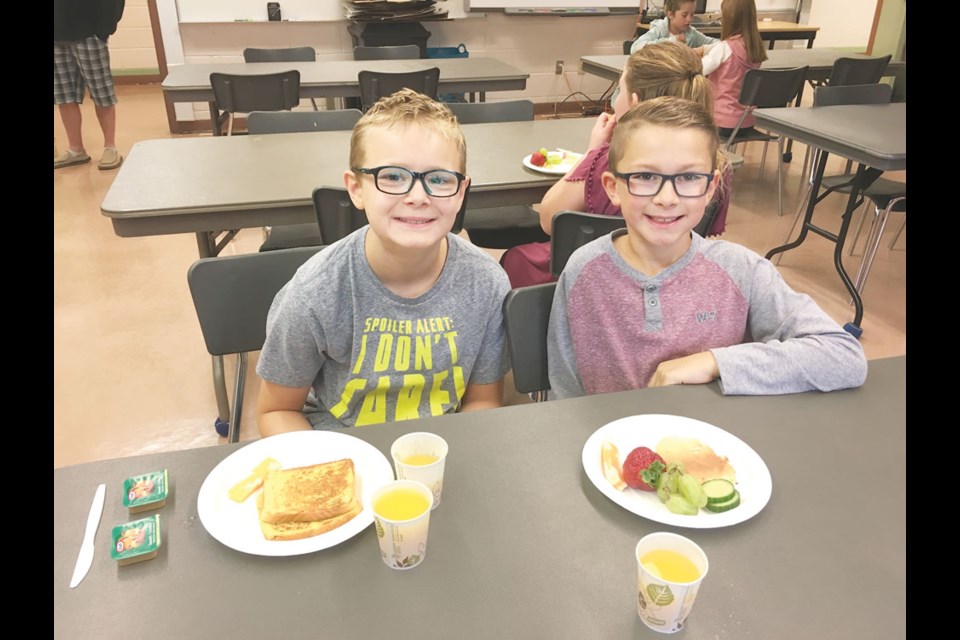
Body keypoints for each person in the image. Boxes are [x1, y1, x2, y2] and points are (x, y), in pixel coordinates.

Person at [547, 96, 867, 399]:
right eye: (645, 176)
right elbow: (566, 389)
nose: (667, 198)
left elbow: (843, 355)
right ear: (613, 187)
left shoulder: (741, 270)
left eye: (688, 177)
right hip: (609, 447)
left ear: (711, 188)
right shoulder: (583, 270)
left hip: (710, 447)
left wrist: (715, 362)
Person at [255, 89, 511, 435]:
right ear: (356, 189)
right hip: (340, 444)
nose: (418, 197)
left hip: (443, 447)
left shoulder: (487, 284)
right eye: (392, 176)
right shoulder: (314, 292)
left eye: (439, 179)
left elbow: (483, 401)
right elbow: (276, 410)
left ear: (461, 191)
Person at [500, 42, 730, 289]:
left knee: (516, 258)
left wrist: (591, 152)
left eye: (618, 90)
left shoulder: (609, 161)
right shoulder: (714, 165)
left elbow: (548, 218)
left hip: (590, 278)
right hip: (670, 278)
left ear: (633, 102)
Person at [54, 0, 126, 170]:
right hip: (57, 36)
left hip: (89, 34)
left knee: (101, 93)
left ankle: (110, 148)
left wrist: (104, 30)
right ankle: (76, 149)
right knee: (64, 96)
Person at [700, 0, 768, 141]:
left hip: (721, 122)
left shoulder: (724, 48)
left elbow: (699, 69)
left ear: (729, 20)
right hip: (747, 121)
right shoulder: (755, 49)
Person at [630, 0, 718, 56]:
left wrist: (703, 49)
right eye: (684, 15)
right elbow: (635, 48)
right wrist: (672, 41)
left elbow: (719, 45)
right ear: (670, 14)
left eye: (692, 15)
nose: (689, 19)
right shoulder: (659, 30)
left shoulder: (691, 34)